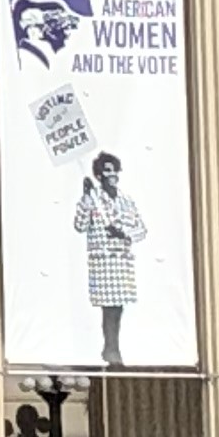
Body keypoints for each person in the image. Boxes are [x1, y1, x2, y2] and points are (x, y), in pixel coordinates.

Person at [74, 151, 148, 370]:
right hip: (103, 261)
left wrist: (123, 233)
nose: (112, 174)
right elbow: (79, 225)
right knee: (109, 308)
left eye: (115, 169)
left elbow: (141, 230)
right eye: (107, 170)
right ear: (99, 174)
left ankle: (113, 347)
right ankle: (110, 348)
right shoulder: (93, 199)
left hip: (122, 261)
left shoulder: (127, 201)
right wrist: (86, 198)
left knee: (118, 308)